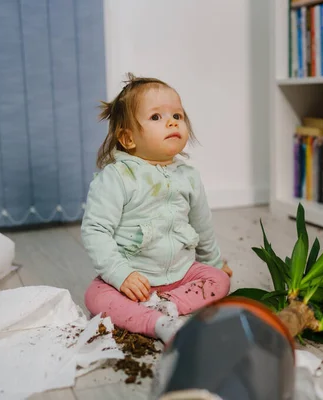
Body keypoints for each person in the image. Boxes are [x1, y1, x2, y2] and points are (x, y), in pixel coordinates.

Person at [81, 73, 232, 343]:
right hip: (134, 277)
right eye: (156, 117)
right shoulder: (117, 177)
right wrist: (120, 274)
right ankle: (157, 323)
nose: (173, 121)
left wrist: (213, 263)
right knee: (95, 297)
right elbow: (96, 230)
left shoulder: (189, 176)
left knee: (219, 280)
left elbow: (202, 225)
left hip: (182, 272)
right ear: (128, 139)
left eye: (178, 115)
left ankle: (169, 306)